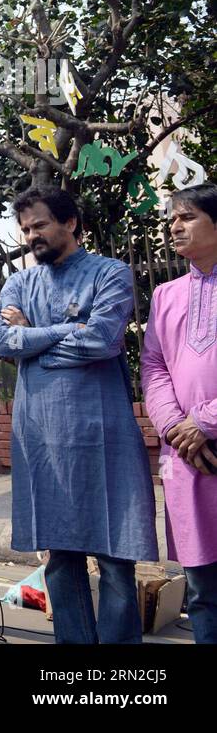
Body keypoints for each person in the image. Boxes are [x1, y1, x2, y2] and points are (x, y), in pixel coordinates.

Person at [0, 187, 157, 643]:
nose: (31, 236)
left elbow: (102, 340)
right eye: (25, 229)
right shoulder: (19, 283)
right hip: (41, 436)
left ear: (70, 223)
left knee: (115, 554)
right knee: (60, 559)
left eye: (40, 225)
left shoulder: (112, 272)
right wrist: (67, 330)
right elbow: (3, 343)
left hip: (102, 434)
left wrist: (36, 339)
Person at [141, 183, 217, 644]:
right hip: (186, 455)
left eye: (186, 216)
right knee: (201, 588)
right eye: (173, 218)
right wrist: (174, 425)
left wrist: (204, 421)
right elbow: (153, 365)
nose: (174, 225)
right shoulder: (166, 295)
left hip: (200, 435)